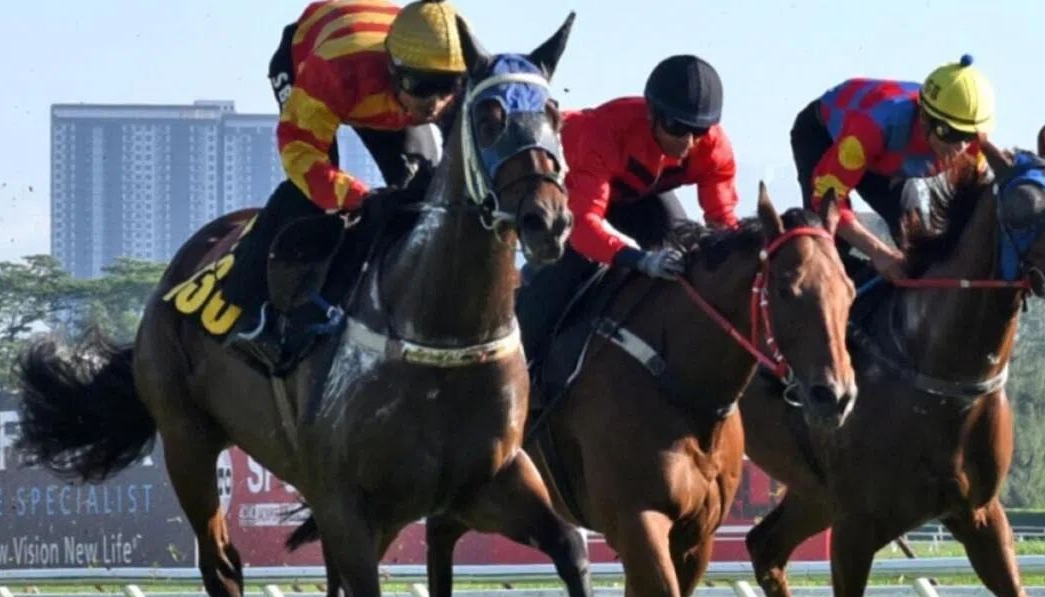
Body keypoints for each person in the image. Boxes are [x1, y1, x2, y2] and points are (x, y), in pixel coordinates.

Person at [222, 0, 467, 365]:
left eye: (445, 87)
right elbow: (299, 150)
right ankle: (251, 306)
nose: (432, 105)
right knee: (314, 192)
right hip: (310, 56)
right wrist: (354, 195)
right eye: (420, 87)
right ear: (394, 71)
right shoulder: (337, 73)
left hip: (376, 80)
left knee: (422, 191)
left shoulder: (457, 87)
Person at [517, 54, 740, 369]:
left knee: (683, 250)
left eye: (699, 129)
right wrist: (639, 260)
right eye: (676, 127)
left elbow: (723, 223)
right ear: (651, 113)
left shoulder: (715, 148)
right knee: (575, 262)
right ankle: (525, 364)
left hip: (634, 194)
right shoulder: (601, 133)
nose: (688, 142)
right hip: (573, 192)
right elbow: (583, 227)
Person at [790, 54, 995, 284]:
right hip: (826, 135)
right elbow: (825, 203)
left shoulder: (973, 147)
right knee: (831, 243)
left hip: (886, 159)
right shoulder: (871, 130)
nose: (960, 148)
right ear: (926, 120)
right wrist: (879, 253)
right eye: (951, 134)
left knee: (919, 242)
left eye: (968, 136)